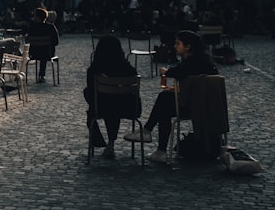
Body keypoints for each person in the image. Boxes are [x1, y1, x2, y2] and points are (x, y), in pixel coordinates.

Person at [125, 30, 218, 164]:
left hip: (195, 108)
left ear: (188, 47)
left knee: (164, 100)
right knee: (165, 106)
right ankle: (152, 139)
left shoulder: (191, 63)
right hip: (206, 106)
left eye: (178, 43)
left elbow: (178, 72)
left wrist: (166, 72)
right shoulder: (205, 62)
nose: (174, 46)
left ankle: (153, 140)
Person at [84, 35, 141, 159]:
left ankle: (100, 142)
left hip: (102, 107)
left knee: (93, 108)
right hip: (127, 108)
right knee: (113, 106)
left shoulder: (94, 70)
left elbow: (90, 90)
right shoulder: (126, 68)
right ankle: (111, 143)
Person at [26, 7, 59, 83]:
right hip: (48, 54)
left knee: (41, 51)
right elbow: (56, 42)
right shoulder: (51, 27)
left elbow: (27, 40)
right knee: (44, 51)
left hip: (33, 53)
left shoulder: (32, 27)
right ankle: (41, 75)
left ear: (37, 17)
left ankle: (41, 75)